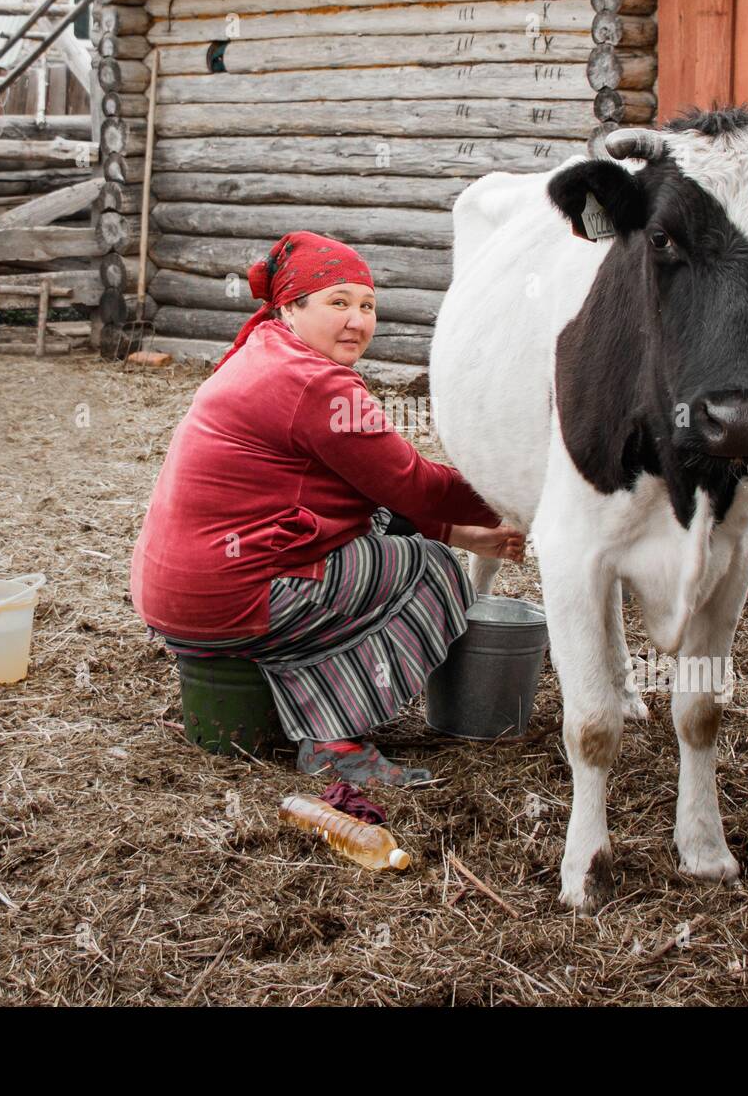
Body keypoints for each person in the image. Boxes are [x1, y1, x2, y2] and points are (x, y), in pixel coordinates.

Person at [131, 230, 524, 786]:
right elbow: (413, 483)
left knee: (389, 531)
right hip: (229, 595)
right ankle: (334, 741)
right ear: (291, 306)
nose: (357, 321)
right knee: (430, 572)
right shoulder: (315, 383)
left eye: (367, 306)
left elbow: (375, 490)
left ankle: (290, 679)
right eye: (337, 303)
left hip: (177, 588)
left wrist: (463, 531)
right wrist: (519, 499)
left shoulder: (263, 350)